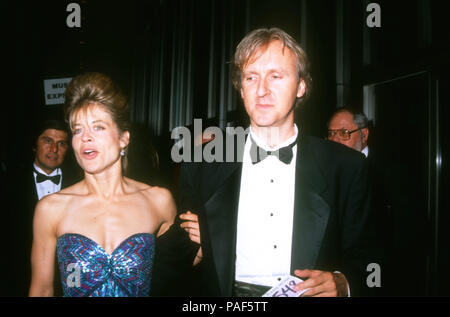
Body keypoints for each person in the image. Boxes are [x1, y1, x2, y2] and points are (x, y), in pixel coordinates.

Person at [178, 27, 377, 297]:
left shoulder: (347, 168)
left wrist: (344, 283)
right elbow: (180, 259)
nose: (262, 90)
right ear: (241, 87)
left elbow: (372, 260)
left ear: (301, 86)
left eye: (276, 76)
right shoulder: (202, 162)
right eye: (251, 77)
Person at [28, 72, 191, 297]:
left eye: (98, 127)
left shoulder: (159, 200)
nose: (85, 137)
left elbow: (173, 277)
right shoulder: (50, 209)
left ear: (124, 138)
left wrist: (201, 246)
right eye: (77, 130)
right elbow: (42, 290)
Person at [5, 119, 79, 296]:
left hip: (69, 277)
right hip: (17, 278)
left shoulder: (80, 185)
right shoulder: (8, 183)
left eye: (61, 144)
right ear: (34, 145)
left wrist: (74, 286)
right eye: (47, 141)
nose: (54, 149)